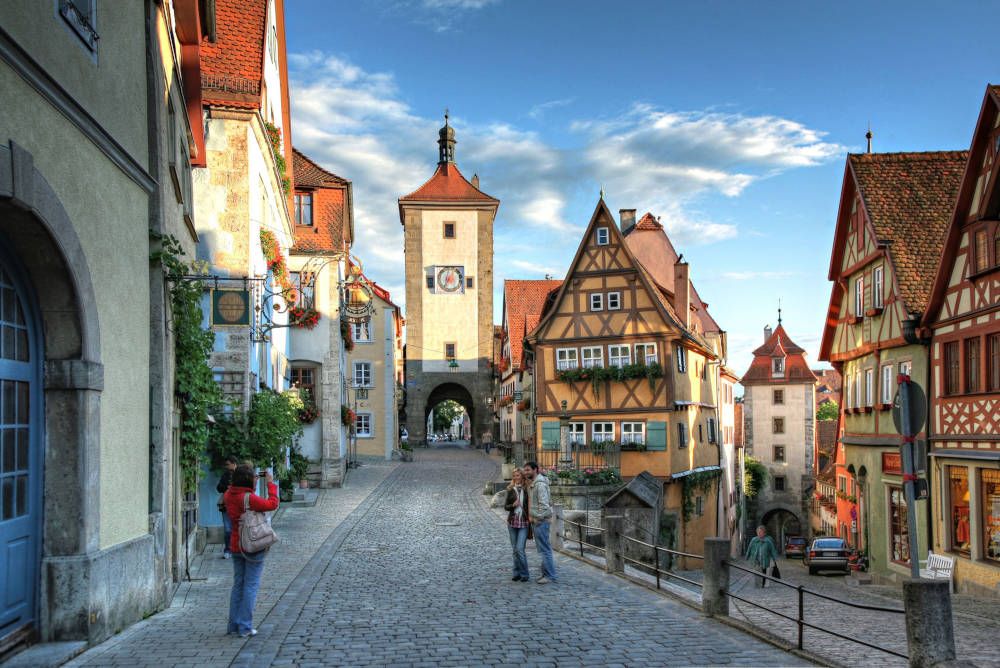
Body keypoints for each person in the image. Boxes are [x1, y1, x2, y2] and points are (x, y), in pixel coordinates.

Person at [223, 464, 279, 637]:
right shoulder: (249, 498)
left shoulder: (228, 495)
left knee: (238, 585)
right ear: (248, 480)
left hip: (236, 545)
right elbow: (272, 504)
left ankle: (233, 625)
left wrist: (251, 485)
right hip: (252, 544)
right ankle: (245, 626)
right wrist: (270, 484)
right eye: (253, 477)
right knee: (251, 585)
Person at [524, 461, 556, 584]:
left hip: (540, 521)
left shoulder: (540, 484)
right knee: (543, 549)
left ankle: (550, 576)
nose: (526, 472)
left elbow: (544, 506)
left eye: (528, 470)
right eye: (525, 470)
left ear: (535, 470)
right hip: (538, 521)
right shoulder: (534, 483)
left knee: (545, 549)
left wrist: (536, 518)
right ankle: (546, 573)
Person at [504, 469, 531, 582]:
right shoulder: (510, 489)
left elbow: (530, 505)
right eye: (514, 476)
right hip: (512, 522)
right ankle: (516, 573)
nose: (516, 477)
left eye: (518, 475)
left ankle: (525, 574)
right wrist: (513, 505)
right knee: (515, 550)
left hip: (523, 522)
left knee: (520, 549)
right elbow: (506, 507)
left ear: (522, 476)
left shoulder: (527, 489)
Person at [216, 456, 239, 559]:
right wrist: (226, 487)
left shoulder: (241, 474)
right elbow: (218, 488)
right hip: (226, 505)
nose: (226, 466)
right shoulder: (225, 475)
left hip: (239, 506)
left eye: (228, 464)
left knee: (239, 529)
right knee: (227, 529)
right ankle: (228, 550)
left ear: (234, 464)